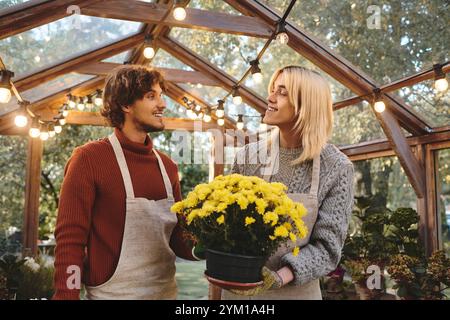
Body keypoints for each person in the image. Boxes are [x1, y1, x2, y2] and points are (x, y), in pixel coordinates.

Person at [52, 65, 196, 300]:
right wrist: (66, 295)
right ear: (126, 105)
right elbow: (70, 238)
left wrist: (215, 240)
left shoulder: (168, 167)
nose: (163, 104)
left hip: (165, 294)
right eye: (151, 96)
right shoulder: (89, 159)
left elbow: (178, 240)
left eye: (161, 96)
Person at [224, 66, 354, 300]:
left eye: (282, 93)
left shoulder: (337, 167)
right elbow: (227, 225)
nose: (270, 98)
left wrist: (280, 277)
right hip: (240, 293)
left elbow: (327, 249)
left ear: (306, 105)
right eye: (273, 90)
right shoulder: (247, 157)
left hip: (295, 293)